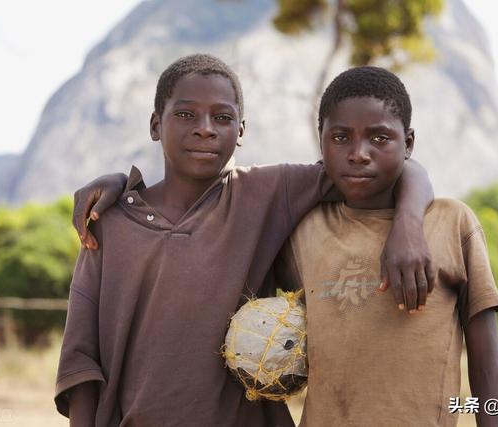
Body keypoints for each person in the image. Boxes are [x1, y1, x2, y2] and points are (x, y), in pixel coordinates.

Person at [58, 54, 434, 426]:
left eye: (222, 117)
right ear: (156, 124)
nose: (205, 128)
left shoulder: (267, 193)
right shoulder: (108, 222)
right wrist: (117, 182)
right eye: (186, 114)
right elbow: (81, 360)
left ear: (240, 131)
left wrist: (409, 225)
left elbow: (395, 165)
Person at [275, 66, 498, 426]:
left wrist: (408, 221)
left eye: (380, 138)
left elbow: (488, 362)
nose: (358, 154)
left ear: (409, 143)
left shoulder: (453, 222)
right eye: (340, 138)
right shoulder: (303, 231)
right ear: (320, 140)